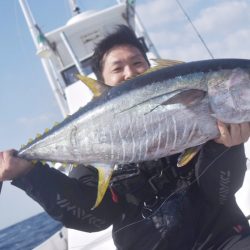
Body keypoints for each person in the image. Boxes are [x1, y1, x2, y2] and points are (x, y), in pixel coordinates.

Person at [1, 25, 250, 250]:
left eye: (137, 63)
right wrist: (30, 174)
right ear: (102, 84)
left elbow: (219, 193)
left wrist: (225, 149)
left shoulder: (208, 125)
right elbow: (94, 218)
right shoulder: (91, 143)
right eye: (117, 68)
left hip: (223, 237)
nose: (129, 72)